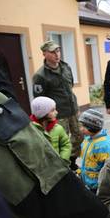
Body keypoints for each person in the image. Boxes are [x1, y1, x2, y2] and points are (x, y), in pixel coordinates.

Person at [32, 40, 83, 171]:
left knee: (79, 136)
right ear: (44, 54)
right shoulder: (40, 76)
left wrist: (75, 107)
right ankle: (62, 166)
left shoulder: (66, 67)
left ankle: (71, 160)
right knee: (61, 141)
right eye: (53, 52)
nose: (57, 54)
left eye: (58, 50)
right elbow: (40, 99)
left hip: (72, 109)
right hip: (58, 114)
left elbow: (70, 86)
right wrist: (47, 117)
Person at [78, 109, 110, 193]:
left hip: (100, 186)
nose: (81, 129)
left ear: (92, 126)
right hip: (90, 183)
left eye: (84, 126)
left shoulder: (104, 145)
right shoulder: (88, 139)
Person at [30, 96, 71, 162]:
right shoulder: (31, 130)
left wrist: (63, 160)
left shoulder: (58, 128)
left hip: (58, 166)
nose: (56, 112)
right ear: (42, 113)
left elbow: (66, 144)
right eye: (52, 110)